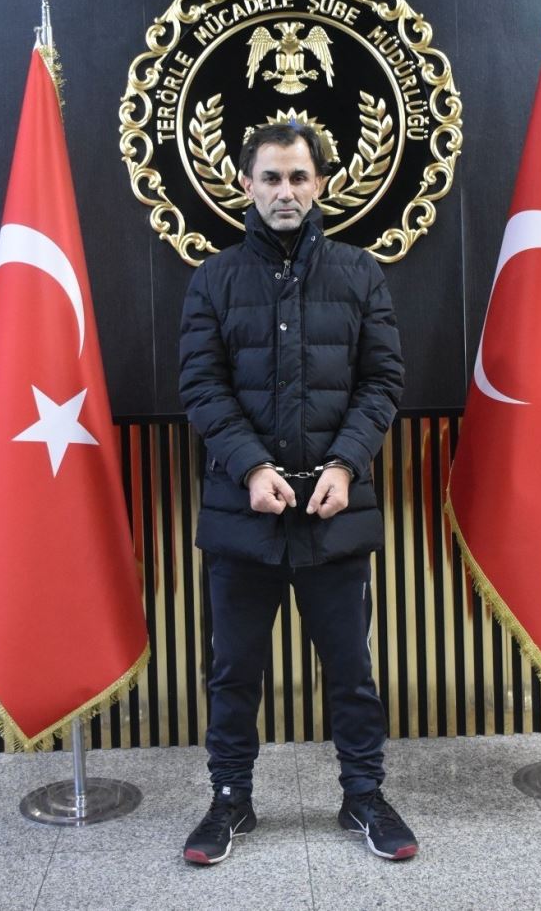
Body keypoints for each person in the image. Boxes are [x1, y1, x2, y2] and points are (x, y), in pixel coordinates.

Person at [178, 121, 417, 864]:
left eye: (299, 177)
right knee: (233, 672)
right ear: (246, 184)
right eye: (272, 178)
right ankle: (229, 801)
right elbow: (201, 385)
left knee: (351, 669)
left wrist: (346, 463)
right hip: (241, 515)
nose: (286, 192)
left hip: (333, 514)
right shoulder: (212, 279)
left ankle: (365, 796)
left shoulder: (359, 273)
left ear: (321, 184)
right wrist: (251, 467)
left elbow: (383, 382)